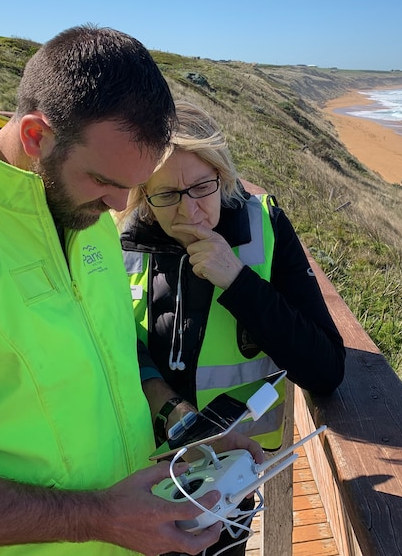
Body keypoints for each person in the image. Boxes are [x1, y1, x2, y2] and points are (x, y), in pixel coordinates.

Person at [0, 25, 257, 556]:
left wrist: (180, 434)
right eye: (105, 180)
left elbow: (108, 345)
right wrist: (98, 518)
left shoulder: (87, 215)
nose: (119, 203)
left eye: (134, 183)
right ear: (37, 136)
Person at [116, 101, 346, 555]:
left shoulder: (266, 227)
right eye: (166, 195)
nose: (190, 213)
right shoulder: (120, 242)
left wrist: (238, 282)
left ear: (223, 176)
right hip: (136, 468)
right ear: (143, 195)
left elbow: (327, 369)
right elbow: (110, 339)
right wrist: (166, 406)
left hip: (233, 471)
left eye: (202, 187)